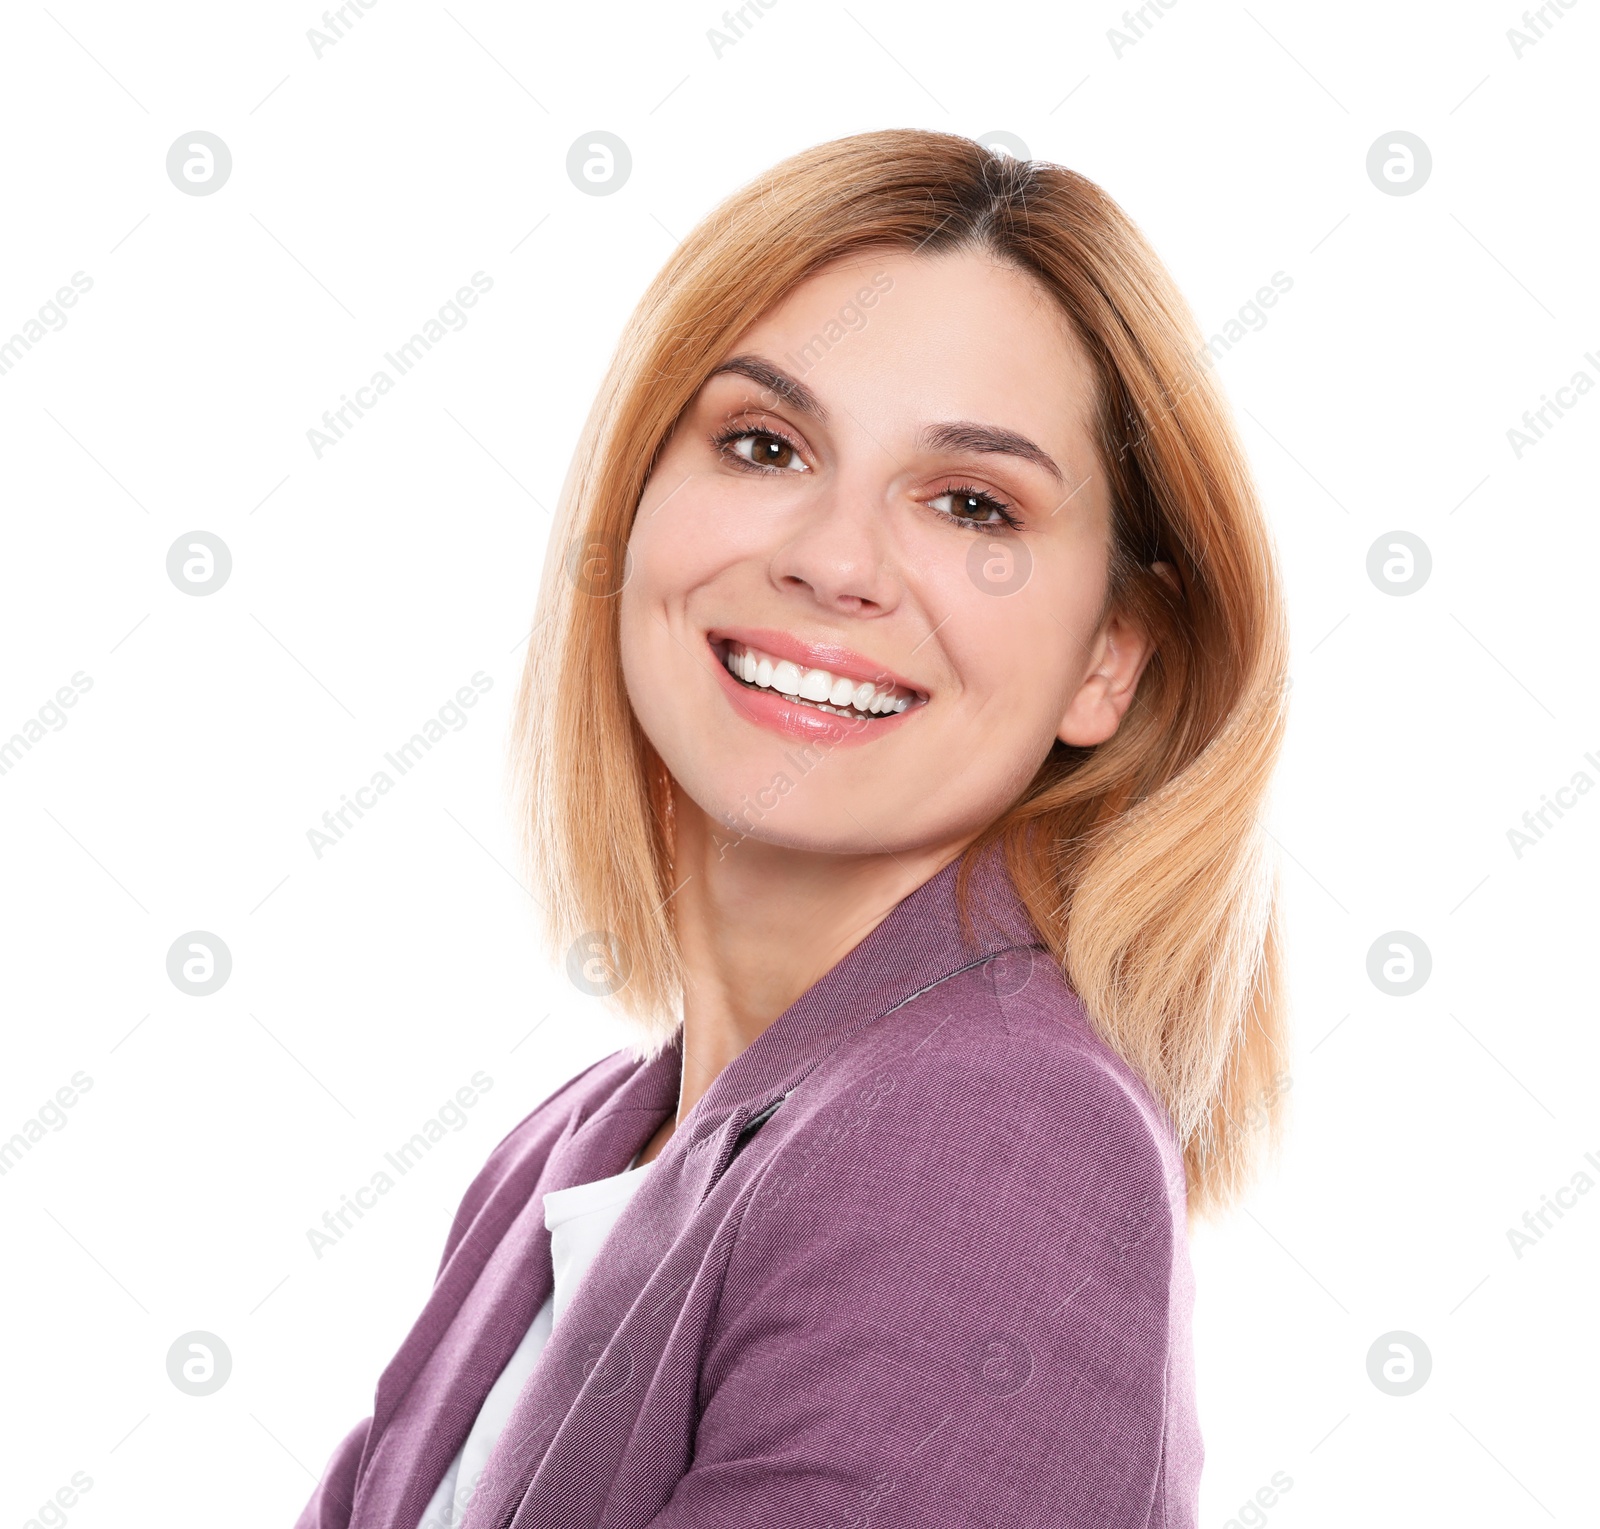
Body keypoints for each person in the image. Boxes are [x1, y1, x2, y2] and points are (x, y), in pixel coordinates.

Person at [295, 127, 1290, 1529]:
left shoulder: (999, 1128)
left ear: (1109, 657)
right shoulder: (574, 1149)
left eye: (970, 503)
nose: (831, 558)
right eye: (764, 444)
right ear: (634, 511)